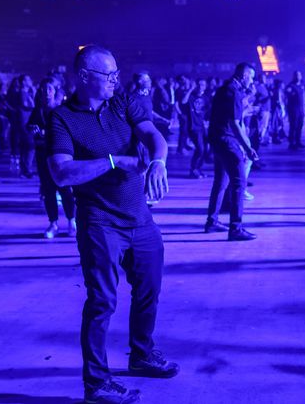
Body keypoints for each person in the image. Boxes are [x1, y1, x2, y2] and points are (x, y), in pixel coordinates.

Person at [46, 45, 178, 404]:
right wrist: (113, 161)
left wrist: (159, 163)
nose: (116, 80)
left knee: (149, 288)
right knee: (102, 301)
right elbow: (61, 173)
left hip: (140, 219)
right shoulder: (62, 118)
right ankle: (97, 383)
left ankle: (141, 354)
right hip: (100, 223)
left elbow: (153, 137)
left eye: (117, 74)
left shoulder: (124, 102)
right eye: (109, 75)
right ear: (85, 77)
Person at [205, 62, 259, 241]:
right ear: (244, 75)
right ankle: (235, 228)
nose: (251, 81)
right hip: (228, 140)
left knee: (220, 182)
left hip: (217, 139)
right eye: (251, 77)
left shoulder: (224, 89)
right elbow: (235, 124)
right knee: (239, 182)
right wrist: (248, 148)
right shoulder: (234, 92)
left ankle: (212, 221)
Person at [28, 78, 76, 239]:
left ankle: (72, 221)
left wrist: (45, 133)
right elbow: (30, 125)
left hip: (60, 155)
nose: (46, 92)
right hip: (43, 154)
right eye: (43, 89)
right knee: (48, 190)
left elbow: (68, 131)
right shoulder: (38, 110)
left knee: (65, 188)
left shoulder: (62, 109)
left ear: (56, 91)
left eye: (49, 89)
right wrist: (33, 128)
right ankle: (53, 223)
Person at [285, 71, 305, 150]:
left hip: (301, 109)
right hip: (293, 109)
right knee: (293, 126)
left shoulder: (302, 85)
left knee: (300, 126)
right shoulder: (290, 86)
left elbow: (304, 97)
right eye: (296, 75)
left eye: (299, 75)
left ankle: (298, 141)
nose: (298, 76)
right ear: (294, 76)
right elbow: (287, 96)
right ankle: (292, 143)